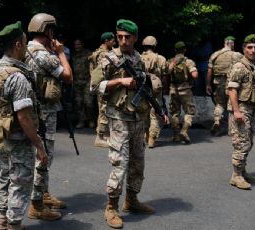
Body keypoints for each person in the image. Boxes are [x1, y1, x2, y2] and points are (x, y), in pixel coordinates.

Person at [91, 19, 168, 229]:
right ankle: (111, 207)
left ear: (135, 38)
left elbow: (146, 88)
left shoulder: (138, 59)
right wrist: (119, 82)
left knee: (138, 161)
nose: (123, 41)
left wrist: (158, 109)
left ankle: (132, 200)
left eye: (128, 37)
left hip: (138, 118)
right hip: (118, 119)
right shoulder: (108, 58)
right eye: (120, 37)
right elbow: (94, 86)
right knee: (119, 162)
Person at [0, 21, 47, 230]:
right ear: (18, 45)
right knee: (20, 182)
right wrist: (38, 144)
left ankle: (2, 221)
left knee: (4, 178)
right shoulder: (17, 77)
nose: (27, 47)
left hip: (2, 136)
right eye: (26, 43)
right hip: (18, 139)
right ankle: (14, 225)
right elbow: (24, 118)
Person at [25, 13, 73, 221]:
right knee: (44, 157)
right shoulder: (45, 55)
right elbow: (68, 76)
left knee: (40, 155)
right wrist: (61, 53)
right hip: (44, 114)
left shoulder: (25, 49)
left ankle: (43, 195)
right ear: (48, 31)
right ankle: (36, 205)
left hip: (33, 111)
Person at [226, 34, 255, 190]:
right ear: (244, 49)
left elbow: (254, 90)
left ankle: (242, 171)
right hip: (241, 109)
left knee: (249, 142)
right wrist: (237, 111)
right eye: (250, 47)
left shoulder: (253, 66)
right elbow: (232, 90)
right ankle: (236, 176)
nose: (253, 50)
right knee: (241, 143)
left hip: (250, 109)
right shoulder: (239, 66)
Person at [206, 36, 243, 135]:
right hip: (232, 83)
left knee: (220, 103)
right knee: (232, 104)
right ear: (232, 44)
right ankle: (232, 129)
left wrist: (208, 84)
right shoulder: (237, 55)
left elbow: (209, 71)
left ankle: (217, 120)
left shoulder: (215, 55)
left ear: (224, 43)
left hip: (218, 82)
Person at [167, 41, 198, 144]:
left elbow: (166, 75)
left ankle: (176, 135)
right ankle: (184, 131)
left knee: (174, 112)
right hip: (185, 90)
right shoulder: (188, 62)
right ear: (185, 50)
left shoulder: (170, 61)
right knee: (189, 111)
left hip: (173, 90)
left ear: (175, 50)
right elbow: (194, 75)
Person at [89, 32, 115, 148]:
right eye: (112, 40)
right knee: (103, 110)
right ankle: (99, 137)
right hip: (104, 85)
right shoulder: (103, 55)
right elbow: (103, 72)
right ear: (106, 41)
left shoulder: (97, 53)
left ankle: (106, 136)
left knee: (105, 110)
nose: (114, 43)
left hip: (103, 85)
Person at [140, 35, 167, 148]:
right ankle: (152, 138)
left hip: (143, 87)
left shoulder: (139, 57)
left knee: (144, 113)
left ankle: (146, 135)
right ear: (154, 45)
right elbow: (165, 75)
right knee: (155, 113)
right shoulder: (161, 58)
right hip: (156, 87)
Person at [72, 39, 94, 128]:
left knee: (88, 102)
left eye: (78, 44)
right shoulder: (73, 55)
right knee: (78, 102)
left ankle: (91, 120)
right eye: (75, 45)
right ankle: (81, 121)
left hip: (87, 81)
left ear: (82, 45)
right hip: (77, 81)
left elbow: (92, 66)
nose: (77, 46)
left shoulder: (88, 54)